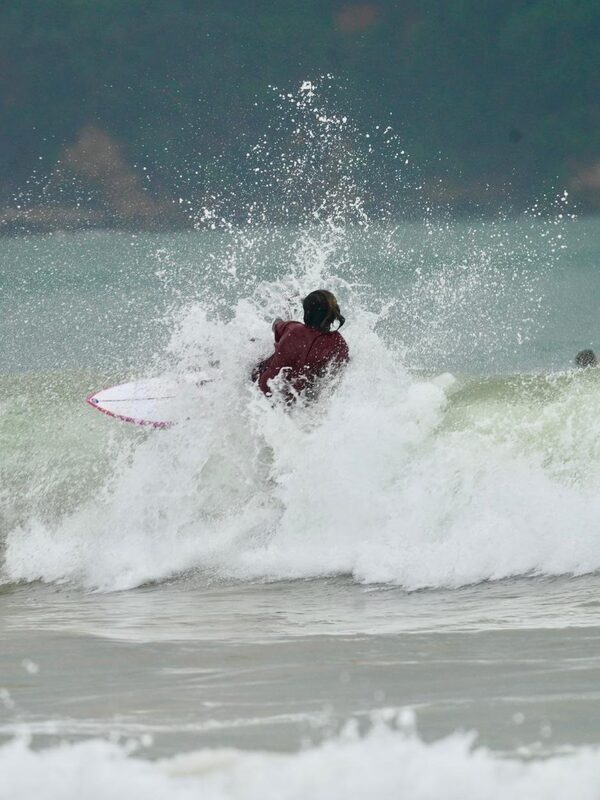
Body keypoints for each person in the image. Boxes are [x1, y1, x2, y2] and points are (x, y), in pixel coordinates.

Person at [252, 289, 349, 400]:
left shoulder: (292, 328)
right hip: (297, 398)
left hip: (266, 385)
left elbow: (276, 324)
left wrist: (285, 314)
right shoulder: (338, 343)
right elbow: (340, 368)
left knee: (260, 347)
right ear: (333, 314)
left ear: (306, 312)